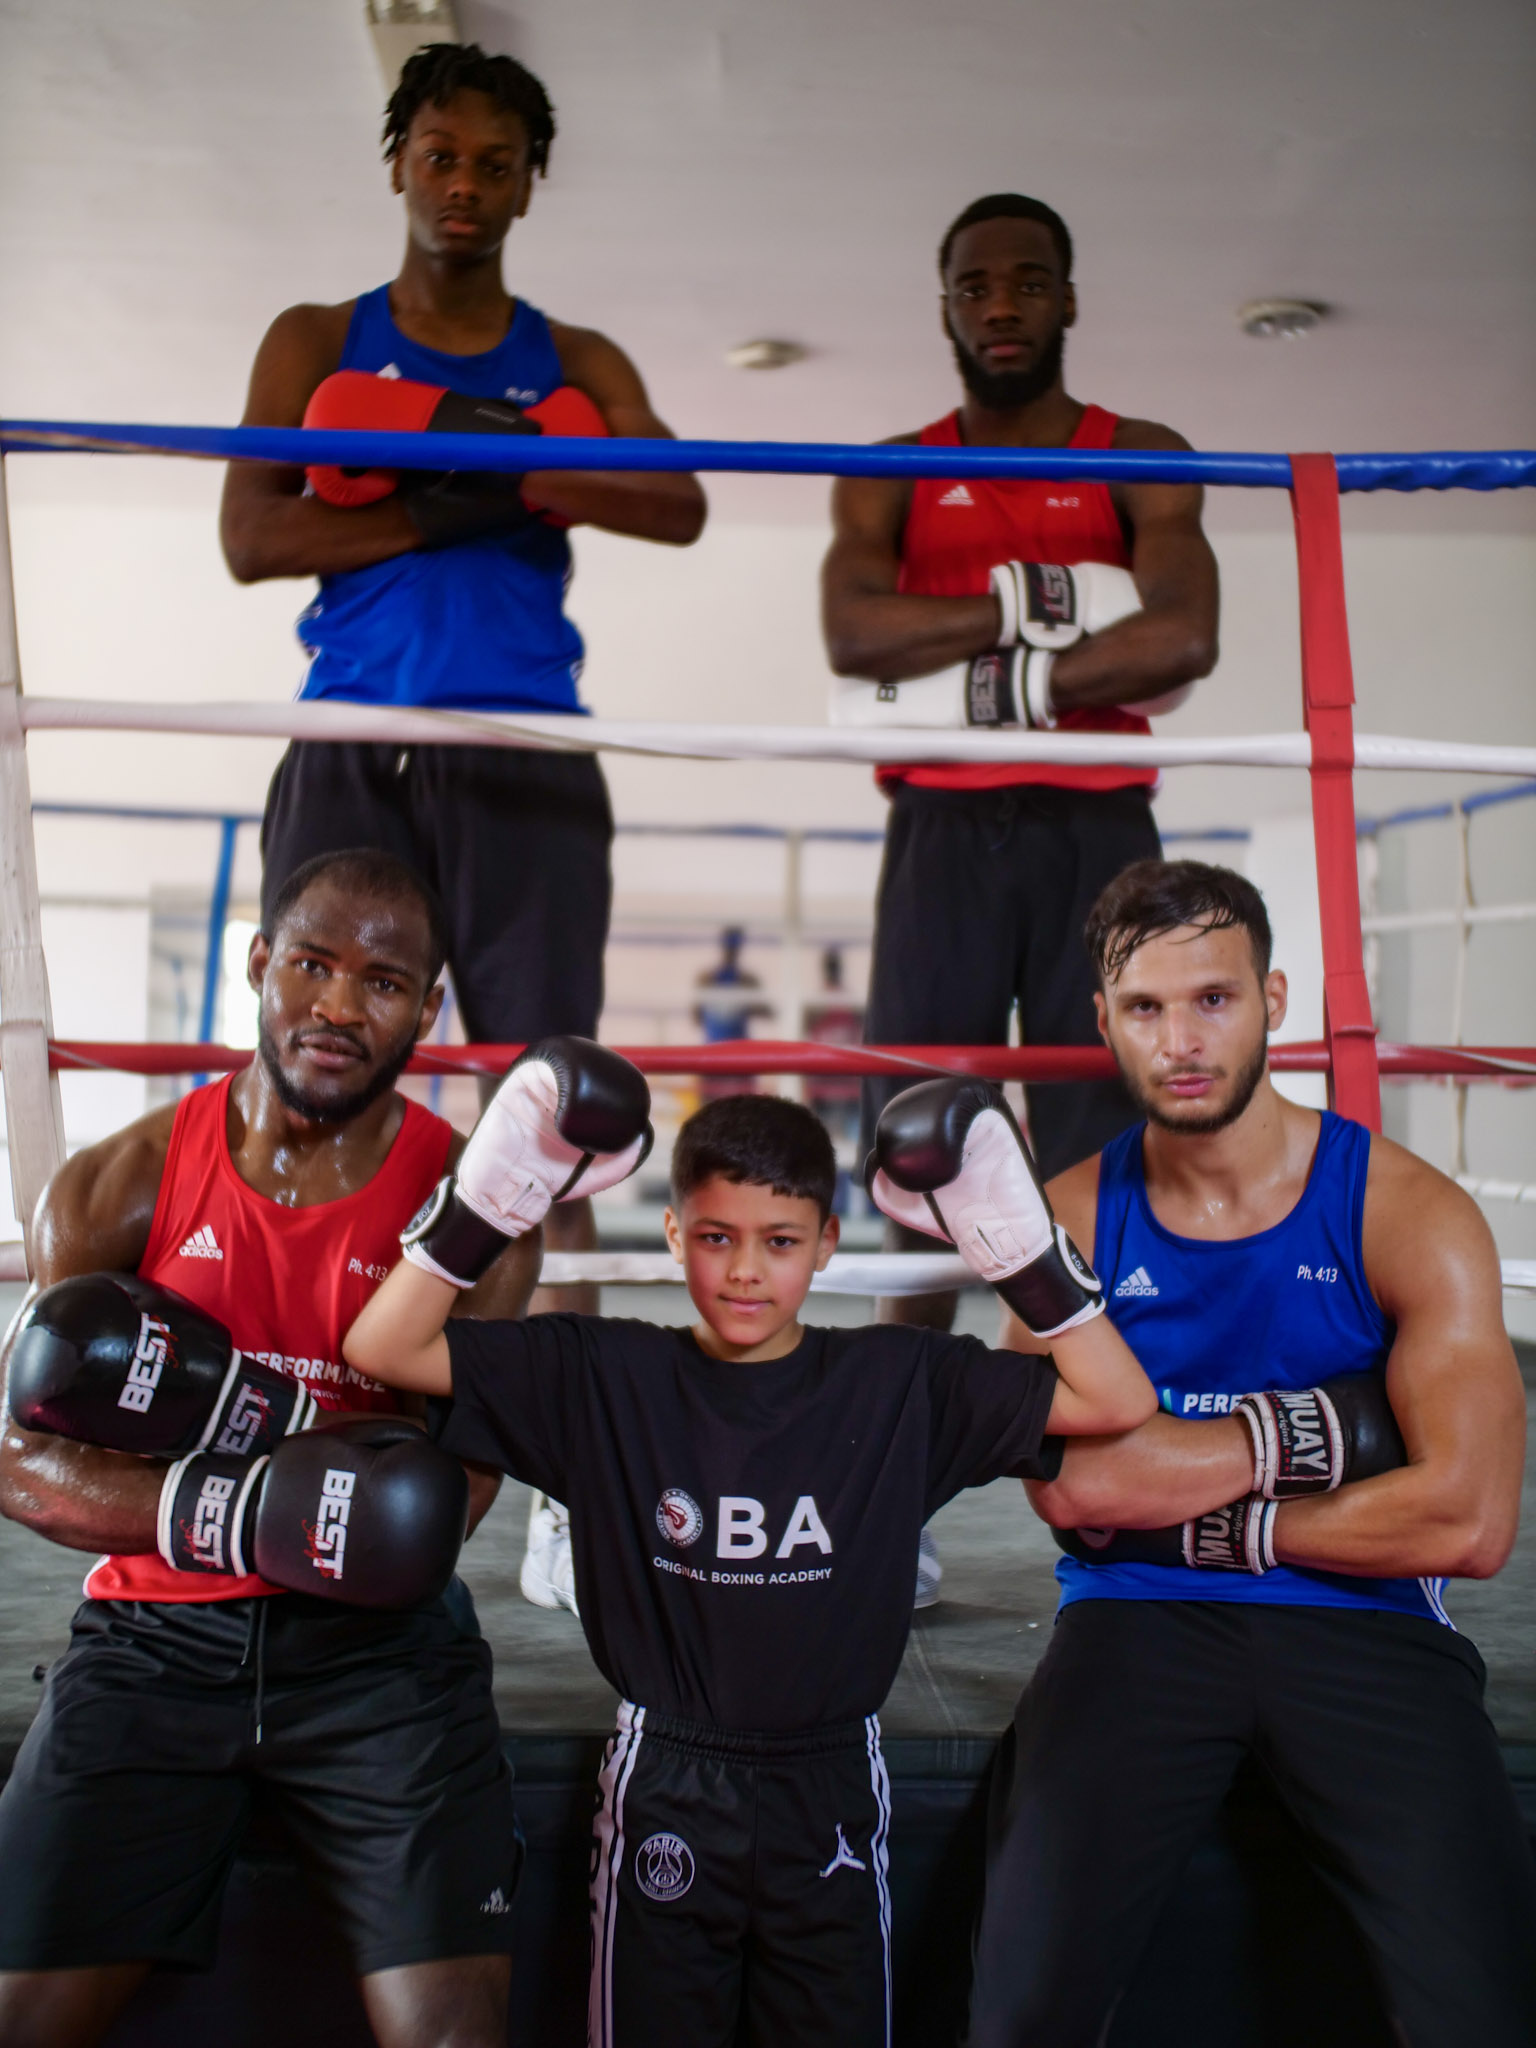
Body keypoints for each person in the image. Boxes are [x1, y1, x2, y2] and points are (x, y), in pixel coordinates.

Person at [343, 1065, 1156, 2047]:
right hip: (668, 1777)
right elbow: (381, 1344)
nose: (743, 1272)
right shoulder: (602, 1374)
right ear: (676, 1233)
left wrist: (1020, 1251)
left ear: (827, 1244)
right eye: (717, 1237)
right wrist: (488, 1197)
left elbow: (1119, 1400)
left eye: (779, 1242)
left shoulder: (899, 1383)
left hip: (834, 1784)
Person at [946, 859, 1536, 2047]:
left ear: (1274, 997)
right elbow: (1077, 1491)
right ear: (1102, 1020)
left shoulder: (1405, 1211)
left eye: (1213, 999)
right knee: (1016, 2014)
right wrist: (1319, 1433)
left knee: (1483, 2012)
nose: (1182, 1039)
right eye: (1149, 1008)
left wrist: (1222, 1513)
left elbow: (1466, 1521)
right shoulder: (1068, 1218)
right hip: (1134, 1620)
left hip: (1373, 1626)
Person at [0, 850, 537, 2048]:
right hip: (151, 1637)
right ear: (258, 963)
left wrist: (263, 1461)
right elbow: (23, 1460)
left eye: (385, 982)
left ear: (429, 1009)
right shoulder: (115, 1187)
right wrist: (238, 1513)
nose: (341, 1007)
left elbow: (448, 1500)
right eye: (312, 963)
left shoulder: (470, 1216)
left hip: (380, 1656)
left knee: (453, 2036)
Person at [219, 40, 707, 1337]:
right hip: (353, 737)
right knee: (315, 1066)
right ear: (398, 164)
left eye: (496, 165)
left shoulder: (576, 356)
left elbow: (681, 503)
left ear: (528, 186)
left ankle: (562, 1462)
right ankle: (286, 1363)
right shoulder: (319, 338)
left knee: (556, 1089)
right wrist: (463, 500)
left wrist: (461, 461)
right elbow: (253, 541)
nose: (464, 185)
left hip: (524, 744)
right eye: (441, 156)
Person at [820, 190, 1219, 1338]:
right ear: (945, 307)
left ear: (1070, 300)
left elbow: (1182, 637)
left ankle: (1080, 1435)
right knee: (916, 1133)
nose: (1002, 306)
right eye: (977, 285)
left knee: (1099, 1139)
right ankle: (911, 1456)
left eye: (1029, 283)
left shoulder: (1141, 453)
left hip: (1100, 831)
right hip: (941, 828)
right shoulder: (890, 468)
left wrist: (996, 686)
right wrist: (1051, 608)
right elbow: (856, 639)